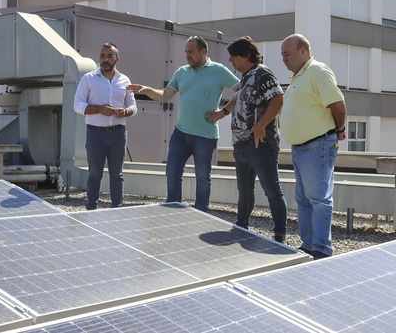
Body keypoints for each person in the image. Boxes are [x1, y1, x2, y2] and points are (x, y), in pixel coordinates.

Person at [127, 35, 239, 212]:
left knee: (202, 177)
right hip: (181, 134)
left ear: (204, 52)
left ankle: (201, 212)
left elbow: (241, 91)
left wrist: (223, 112)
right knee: (172, 173)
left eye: (192, 52)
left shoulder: (219, 70)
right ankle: (173, 208)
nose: (188, 55)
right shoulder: (181, 72)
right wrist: (146, 89)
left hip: (205, 135)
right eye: (186, 52)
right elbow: (165, 95)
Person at [207, 36, 288, 243]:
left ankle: (279, 235)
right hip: (241, 145)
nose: (230, 61)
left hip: (260, 144)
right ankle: (241, 226)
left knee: (272, 190)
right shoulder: (245, 77)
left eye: (233, 56)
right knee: (244, 191)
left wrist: (261, 125)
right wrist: (222, 113)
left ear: (246, 55)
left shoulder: (263, 73)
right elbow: (239, 98)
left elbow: (278, 98)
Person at [280, 34, 347, 259]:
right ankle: (309, 245)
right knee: (304, 199)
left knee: (318, 199)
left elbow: (337, 104)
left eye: (287, 54)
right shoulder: (299, 76)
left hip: (317, 145)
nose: (284, 59)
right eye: (282, 55)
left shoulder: (317, 71)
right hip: (301, 148)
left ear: (303, 51)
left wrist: (339, 130)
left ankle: (321, 248)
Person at [74, 42, 137, 210]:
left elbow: (133, 106)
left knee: (117, 174)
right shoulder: (88, 79)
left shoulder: (124, 80)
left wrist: (125, 112)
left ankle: (117, 208)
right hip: (95, 134)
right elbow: (77, 105)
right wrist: (99, 109)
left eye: (109, 56)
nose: (105, 59)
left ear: (117, 58)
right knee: (95, 173)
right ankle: (91, 208)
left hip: (118, 133)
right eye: (102, 55)